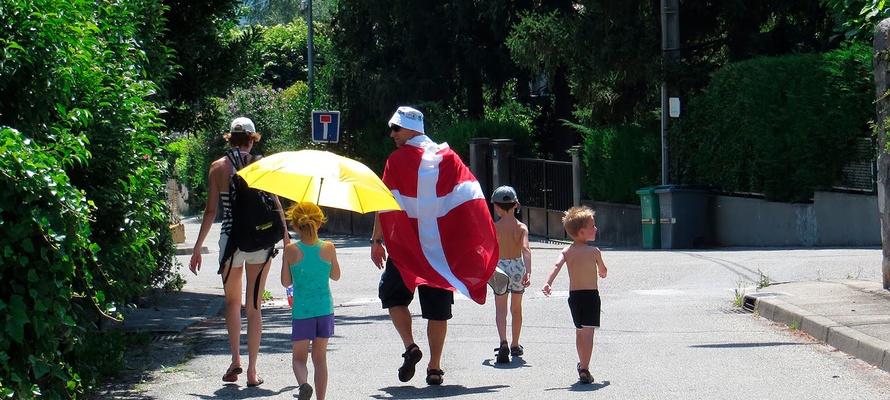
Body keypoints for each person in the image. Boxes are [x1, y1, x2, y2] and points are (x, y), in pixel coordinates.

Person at [370, 106, 498, 386]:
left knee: (392, 297)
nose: (392, 134)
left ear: (412, 129)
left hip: (407, 249)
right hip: (440, 253)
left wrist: (377, 240)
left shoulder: (396, 160)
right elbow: (468, 198)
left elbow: (385, 203)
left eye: (396, 128)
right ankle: (435, 367)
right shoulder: (448, 157)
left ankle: (410, 346)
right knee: (437, 310)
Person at [189, 117, 288, 387]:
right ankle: (254, 371)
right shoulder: (262, 166)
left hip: (231, 243)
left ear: (230, 138)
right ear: (252, 138)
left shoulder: (218, 168)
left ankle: (236, 361)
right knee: (254, 305)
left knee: (232, 303)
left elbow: (211, 212)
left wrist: (197, 248)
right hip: (260, 242)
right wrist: (287, 240)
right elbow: (276, 203)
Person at [541, 205, 608, 384]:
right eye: (592, 226)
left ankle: (582, 363)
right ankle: (584, 367)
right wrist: (602, 271)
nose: (595, 229)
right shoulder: (594, 252)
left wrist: (548, 283)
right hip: (591, 296)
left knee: (579, 332)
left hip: (575, 297)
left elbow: (556, 266)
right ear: (582, 231)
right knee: (589, 333)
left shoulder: (567, 251)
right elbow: (603, 270)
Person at [281, 202, 340, 400]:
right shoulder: (328, 247)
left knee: (299, 358)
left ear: (295, 226)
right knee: (320, 359)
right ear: (319, 224)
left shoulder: (291, 250)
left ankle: (303, 384)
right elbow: (336, 276)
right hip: (324, 309)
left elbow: (285, 282)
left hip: (302, 311)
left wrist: (285, 257)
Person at [487, 185, 532, 364]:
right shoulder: (521, 228)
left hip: (500, 267)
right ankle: (515, 344)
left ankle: (503, 341)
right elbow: (526, 249)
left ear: (496, 207)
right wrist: (528, 271)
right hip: (516, 266)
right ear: (516, 205)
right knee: (516, 308)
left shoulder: (494, 227)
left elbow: (488, 249)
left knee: (500, 308)